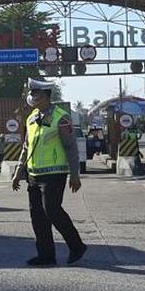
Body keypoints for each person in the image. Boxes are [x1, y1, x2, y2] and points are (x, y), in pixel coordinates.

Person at [11, 78, 87, 266]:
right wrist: (18, 171)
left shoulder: (61, 118)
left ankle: (77, 246)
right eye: (31, 94)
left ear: (44, 96)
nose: (31, 97)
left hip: (55, 174)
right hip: (34, 175)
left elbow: (71, 148)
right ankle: (46, 255)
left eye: (34, 94)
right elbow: (27, 147)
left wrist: (75, 175)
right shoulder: (31, 118)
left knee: (52, 210)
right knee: (37, 215)